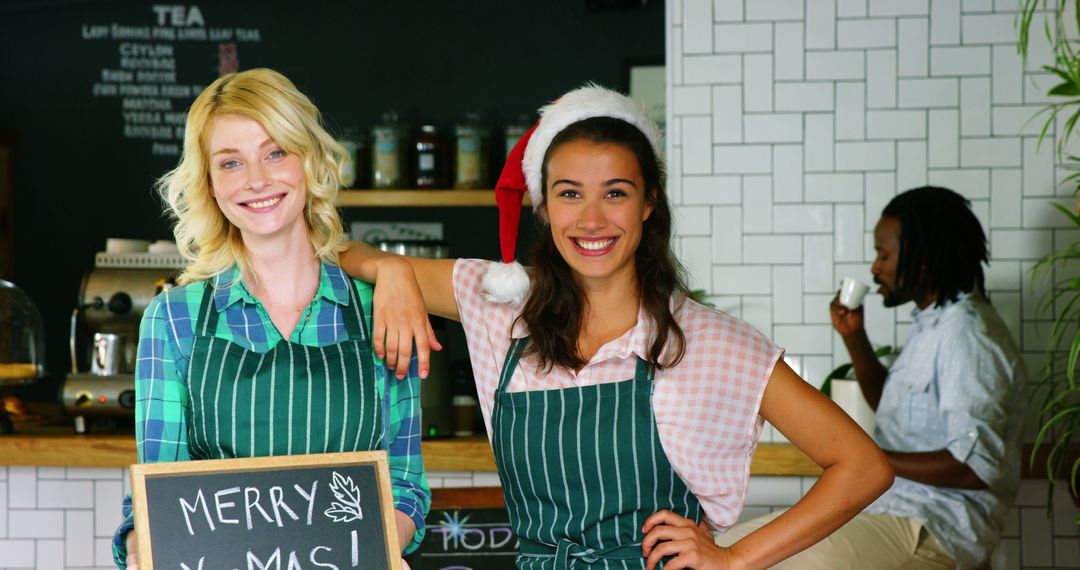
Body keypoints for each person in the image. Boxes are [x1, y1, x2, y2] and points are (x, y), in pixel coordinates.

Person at [341, 84, 894, 569]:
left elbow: (863, 466)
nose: (591, 219)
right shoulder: (498, 305)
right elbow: (337, 251)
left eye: (615, 193)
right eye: (569, 194)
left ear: (649, 202)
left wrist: (735, 560)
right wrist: (390, 269)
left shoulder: (707, 340)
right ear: (544, 207)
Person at [110, 68, 430, 569]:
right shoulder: (174, 319)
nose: (257, 179)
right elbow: (160, 490)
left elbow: (406, 483)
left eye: (275, 152)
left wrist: (379, 547)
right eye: (231, 162)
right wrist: (140, 550)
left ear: (310, 161)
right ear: (211, 185)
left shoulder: (382, 311)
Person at [717, 186, 1028, 569]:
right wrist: (854, 337)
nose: (875, 268)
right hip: (890, 509)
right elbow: (893, 409)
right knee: (731, 550)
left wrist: (863, 462)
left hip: (932, 524)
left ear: (923, 258)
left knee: (747, 558)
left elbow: (975, 467)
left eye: (883, 254)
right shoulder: (934, 324)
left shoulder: (968, 336)